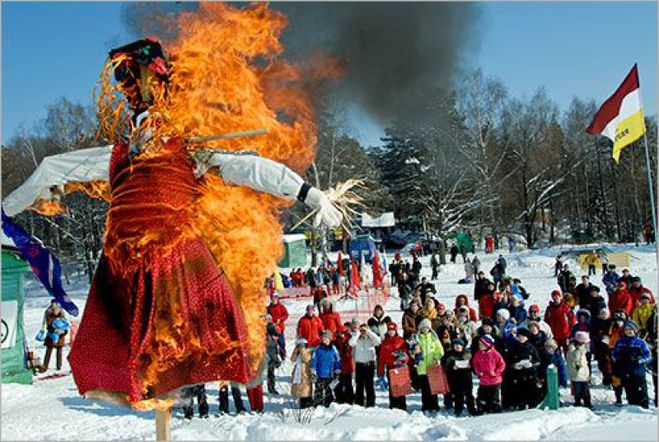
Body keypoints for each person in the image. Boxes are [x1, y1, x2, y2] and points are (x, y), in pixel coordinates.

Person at [612, 321, 651, 408]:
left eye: (630, 329)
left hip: (638, 373)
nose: (628, 331)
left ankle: (644, 410)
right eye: (626, 329)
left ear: (635, 330)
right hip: (626, 373)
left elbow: (648, 356)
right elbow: (614, 354)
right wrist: (618, 359)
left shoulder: (640, 342)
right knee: (630, 394)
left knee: (641, 394)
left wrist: (638, 360)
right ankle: (632, 411)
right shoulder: (620, 342)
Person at [378, 322, 409, 410]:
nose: (391, 332)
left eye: (393, 330)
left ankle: (402, 406)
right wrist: (381, 372)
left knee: (401, 387)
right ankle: (393, 405)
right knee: (392, 388)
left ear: (396, 331)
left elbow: (406, 355)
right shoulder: (384, 343)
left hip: (399, 367)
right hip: (390, 367)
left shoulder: (401, 340)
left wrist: (402, 359)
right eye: (389, 330)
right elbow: (381, 359)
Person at [508, 328, 541, 410]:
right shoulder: (513, 347)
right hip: (518, 373)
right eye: (519, 336)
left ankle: (532, 404)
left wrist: (531, 364)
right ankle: (520, 404)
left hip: (530, 372)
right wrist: (514, 365)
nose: (521, 338)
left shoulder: (531, 347)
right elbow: (509, 360)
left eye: (523, 336)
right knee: (519, 389)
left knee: (531, 389)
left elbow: (537, 360)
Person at [414, 318, 444, 412]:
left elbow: (440, 350)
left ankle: (434, 405)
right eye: (423, 328)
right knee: (424, 388)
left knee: (433, 387)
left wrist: (436, 357)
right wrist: (414, 352)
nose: (425, 330)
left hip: (432, 366)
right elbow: (412, 352)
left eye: (427, 328)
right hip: (422, 367)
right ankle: (425, 405)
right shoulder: (417, 339)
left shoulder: (434, 339)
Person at [472, 334, 506, 414]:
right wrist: (478, 372)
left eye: (482, 345)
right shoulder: (478, 354)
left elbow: (502, 365)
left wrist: (496, 372)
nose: (480, 346)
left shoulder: (495, 354)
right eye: (479, 344)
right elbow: (475, 364)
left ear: (488, 345)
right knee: (482, 396)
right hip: (483, 380)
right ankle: (482, 409)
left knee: (494, 397)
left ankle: (495, 410)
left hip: (494, 380)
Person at [442, 338, 476, 416]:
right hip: (456, 378)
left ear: (462, 346)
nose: (458, 346)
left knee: (469, 394)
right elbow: (446, 366)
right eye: (456, 345)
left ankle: (471, 408)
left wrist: (470, 367)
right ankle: (458, 409)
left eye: (459, 345)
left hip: (467, 377)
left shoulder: (468, 354)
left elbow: (474, 365)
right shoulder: (450, 355)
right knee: (458, 394)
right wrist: (452, 367)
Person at [349, 323, 381, 407]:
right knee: (359, 384)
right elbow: (351, 343)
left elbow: (378, 341)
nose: (363, 332)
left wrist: (369, 332)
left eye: (364, 330)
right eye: (361, 330)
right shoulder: (357, 338)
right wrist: (358, 333)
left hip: (369, 364)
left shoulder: (371, 339)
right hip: (359, 364)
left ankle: (371, 403)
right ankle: (359, 402)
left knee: (369, 384)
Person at [311, 330, 342, 407]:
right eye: (323, 338)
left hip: (330, 374)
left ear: (330, 339)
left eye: (326, 338)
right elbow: (314, 361)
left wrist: (337, 371)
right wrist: (313, 372)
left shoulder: (333, 349)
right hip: (320, 374)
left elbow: (337, 361)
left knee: (329, 390)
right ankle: (318, 404)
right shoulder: (318, 349)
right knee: (319, 390)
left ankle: (329, 404)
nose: (324, 339)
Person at [567, 331, 592, 409]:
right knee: (578, 389)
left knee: (585, 389)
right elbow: (575, 358)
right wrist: (580, 349)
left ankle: (587, 402)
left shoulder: (582, 347)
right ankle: (578, 402)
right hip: (577, 373)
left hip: (583, 373)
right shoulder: (572, 347)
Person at [40, 303, 68, 372]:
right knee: (48, 351)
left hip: (60, 337)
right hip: (51, 336)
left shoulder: (62, 317)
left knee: (59, 352)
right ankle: (45, 366)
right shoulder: (49, 316)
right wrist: (54, 330)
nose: (56, 311)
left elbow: (66, 327)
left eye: (57, 309)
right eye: (54, 309)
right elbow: (48, 326)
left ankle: (59, 366)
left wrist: (63, 332)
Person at [591, 308, 613, 387]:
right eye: (602, 314)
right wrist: (597, 336)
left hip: (609, 346)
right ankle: (606, 378)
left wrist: (607, 337)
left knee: (608, 364)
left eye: (605, 314)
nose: (603, 316)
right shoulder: (597, 322)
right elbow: (593, 333)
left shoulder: (611, 322)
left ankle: (609, 380)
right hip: (599, 346)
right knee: (601, 365)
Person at [334, 326, 355, 405]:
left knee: (348, 384)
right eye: (339, 333)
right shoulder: (336, 342)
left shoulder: (349, 341)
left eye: (342, 333)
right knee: (338, 383)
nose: (341, 335)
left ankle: (349, 399)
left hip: (347, 365)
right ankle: (339, 398)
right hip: (339, 365)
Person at [290, 338, 313, 409]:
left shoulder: (309, 351)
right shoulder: (297, 352)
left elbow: (306, 359)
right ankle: (301, 405)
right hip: (298, 372)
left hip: (305, 372)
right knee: (299, 391)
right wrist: (296, 350)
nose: (301, 347)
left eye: (302, 345)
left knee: (306, 390)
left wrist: (302, 350)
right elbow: (292, 359)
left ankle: (307, 405)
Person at [267, 293, 289, 358]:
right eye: (272, 298)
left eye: (275, 298)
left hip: (280, 328)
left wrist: (281, 319)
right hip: (272, 329)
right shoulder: (269, 308)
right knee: (273, 344)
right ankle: (275, 358)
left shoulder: (281, 306)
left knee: (282, 343)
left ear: (277, 298)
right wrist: (270, 322)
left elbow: (286, 314)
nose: (274, 299)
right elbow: (266, 317)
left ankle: (283, 356)